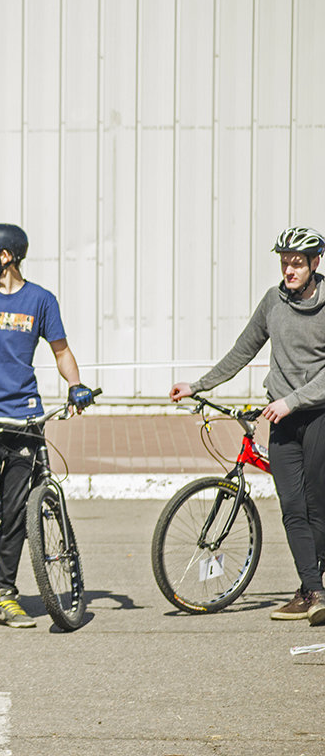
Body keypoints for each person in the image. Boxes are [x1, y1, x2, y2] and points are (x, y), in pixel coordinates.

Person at [0, 224, 94, 634]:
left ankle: (4, 593)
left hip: (25, 421)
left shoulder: (41, 300)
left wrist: (75, 385)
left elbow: (61, 351)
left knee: (14, 514)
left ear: (6, 256)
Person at [171, 227, 325, 626]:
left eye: (296, 263)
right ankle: (314, 591)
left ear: (315, 263)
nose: (289, 270)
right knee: (293, 507)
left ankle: (313, 588)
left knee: (316, 505)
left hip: (317, 415)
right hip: (281, 418)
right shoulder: (273, 302)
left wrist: (292, 401)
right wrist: (197, 385)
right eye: (284, 262)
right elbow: (243, 348)